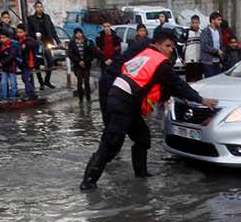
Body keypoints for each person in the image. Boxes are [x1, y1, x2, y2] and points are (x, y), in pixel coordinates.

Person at [81, 29, 217, 190]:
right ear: (158, 45)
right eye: (167, 46)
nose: (170, 49)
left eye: (172, 46)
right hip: (122, 100)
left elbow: (163, 83)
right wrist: (201, 100)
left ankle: (141, 176)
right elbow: (177, 83)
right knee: (112, 143)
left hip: (122, 97)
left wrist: (183, 95)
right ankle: (88, 182)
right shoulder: (160, 62)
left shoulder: (147, 53)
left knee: (142, 137)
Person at [99, 23, 148, 116]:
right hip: (129, 67)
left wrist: (112, 59)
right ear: (137, 32)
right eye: (140, 31)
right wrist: (104, 59)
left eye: (143, 31)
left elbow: (117, 51)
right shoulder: (132, 43)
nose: (142, 33)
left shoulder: (148, 43)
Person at [25, 1, 59, 88]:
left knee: (50, 62)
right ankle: (41, 83)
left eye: (40, 6)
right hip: (37, 43)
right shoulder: (31, 18)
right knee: (37, 64)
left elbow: (52, 30)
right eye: (37, 7)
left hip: (47, 43)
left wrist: (57, 41)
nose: (39, 8)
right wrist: (35, 35)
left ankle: (47, 81)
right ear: (35, 8)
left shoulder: (47, 17)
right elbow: (28, 32)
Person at [68, 28, 95, 101]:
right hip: (77, 65)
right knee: (79, 82)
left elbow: (91, 53)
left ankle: (88, 98)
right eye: (77, 33)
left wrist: (85, 61)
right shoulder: (72, 43)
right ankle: (81, 99)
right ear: (75, 34)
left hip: (86, 64)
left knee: (86, 81)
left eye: (80, 33)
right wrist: (78, 61)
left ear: (82, 33)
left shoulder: (88, 42)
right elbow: (70, 54)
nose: (78, 34)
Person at [0, 30, 19, 103]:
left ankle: (13, 97)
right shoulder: (0, 45)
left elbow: (12, 56)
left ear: (8, 38)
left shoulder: (13, 45)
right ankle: (4, 97)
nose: (2, 39)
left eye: (4, 38)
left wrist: (1, 63)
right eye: (1, 38)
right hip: (4, 67)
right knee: (3, 82)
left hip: (11, 66)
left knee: (12, 83)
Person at [200, 12, 225, 79]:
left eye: (220, 20)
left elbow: (220, 45)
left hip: (217, 61)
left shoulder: (219, 31)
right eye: (218, 20)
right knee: (210, 80)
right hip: (208, 61)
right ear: (212, 20)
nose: (220, 22)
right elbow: (204, 46)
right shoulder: (205, 31)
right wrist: (216, 51)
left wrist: (221, 58)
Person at [183, 15, 203, 82]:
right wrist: (183, 59)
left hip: (199, 60)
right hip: (189, 61)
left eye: (196, 22)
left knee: (199, 80)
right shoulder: (187, 33)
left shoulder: (202, 33)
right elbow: (182, 46)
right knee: (190, 81)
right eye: (193, 23)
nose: (194, 24)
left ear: (199, 23)